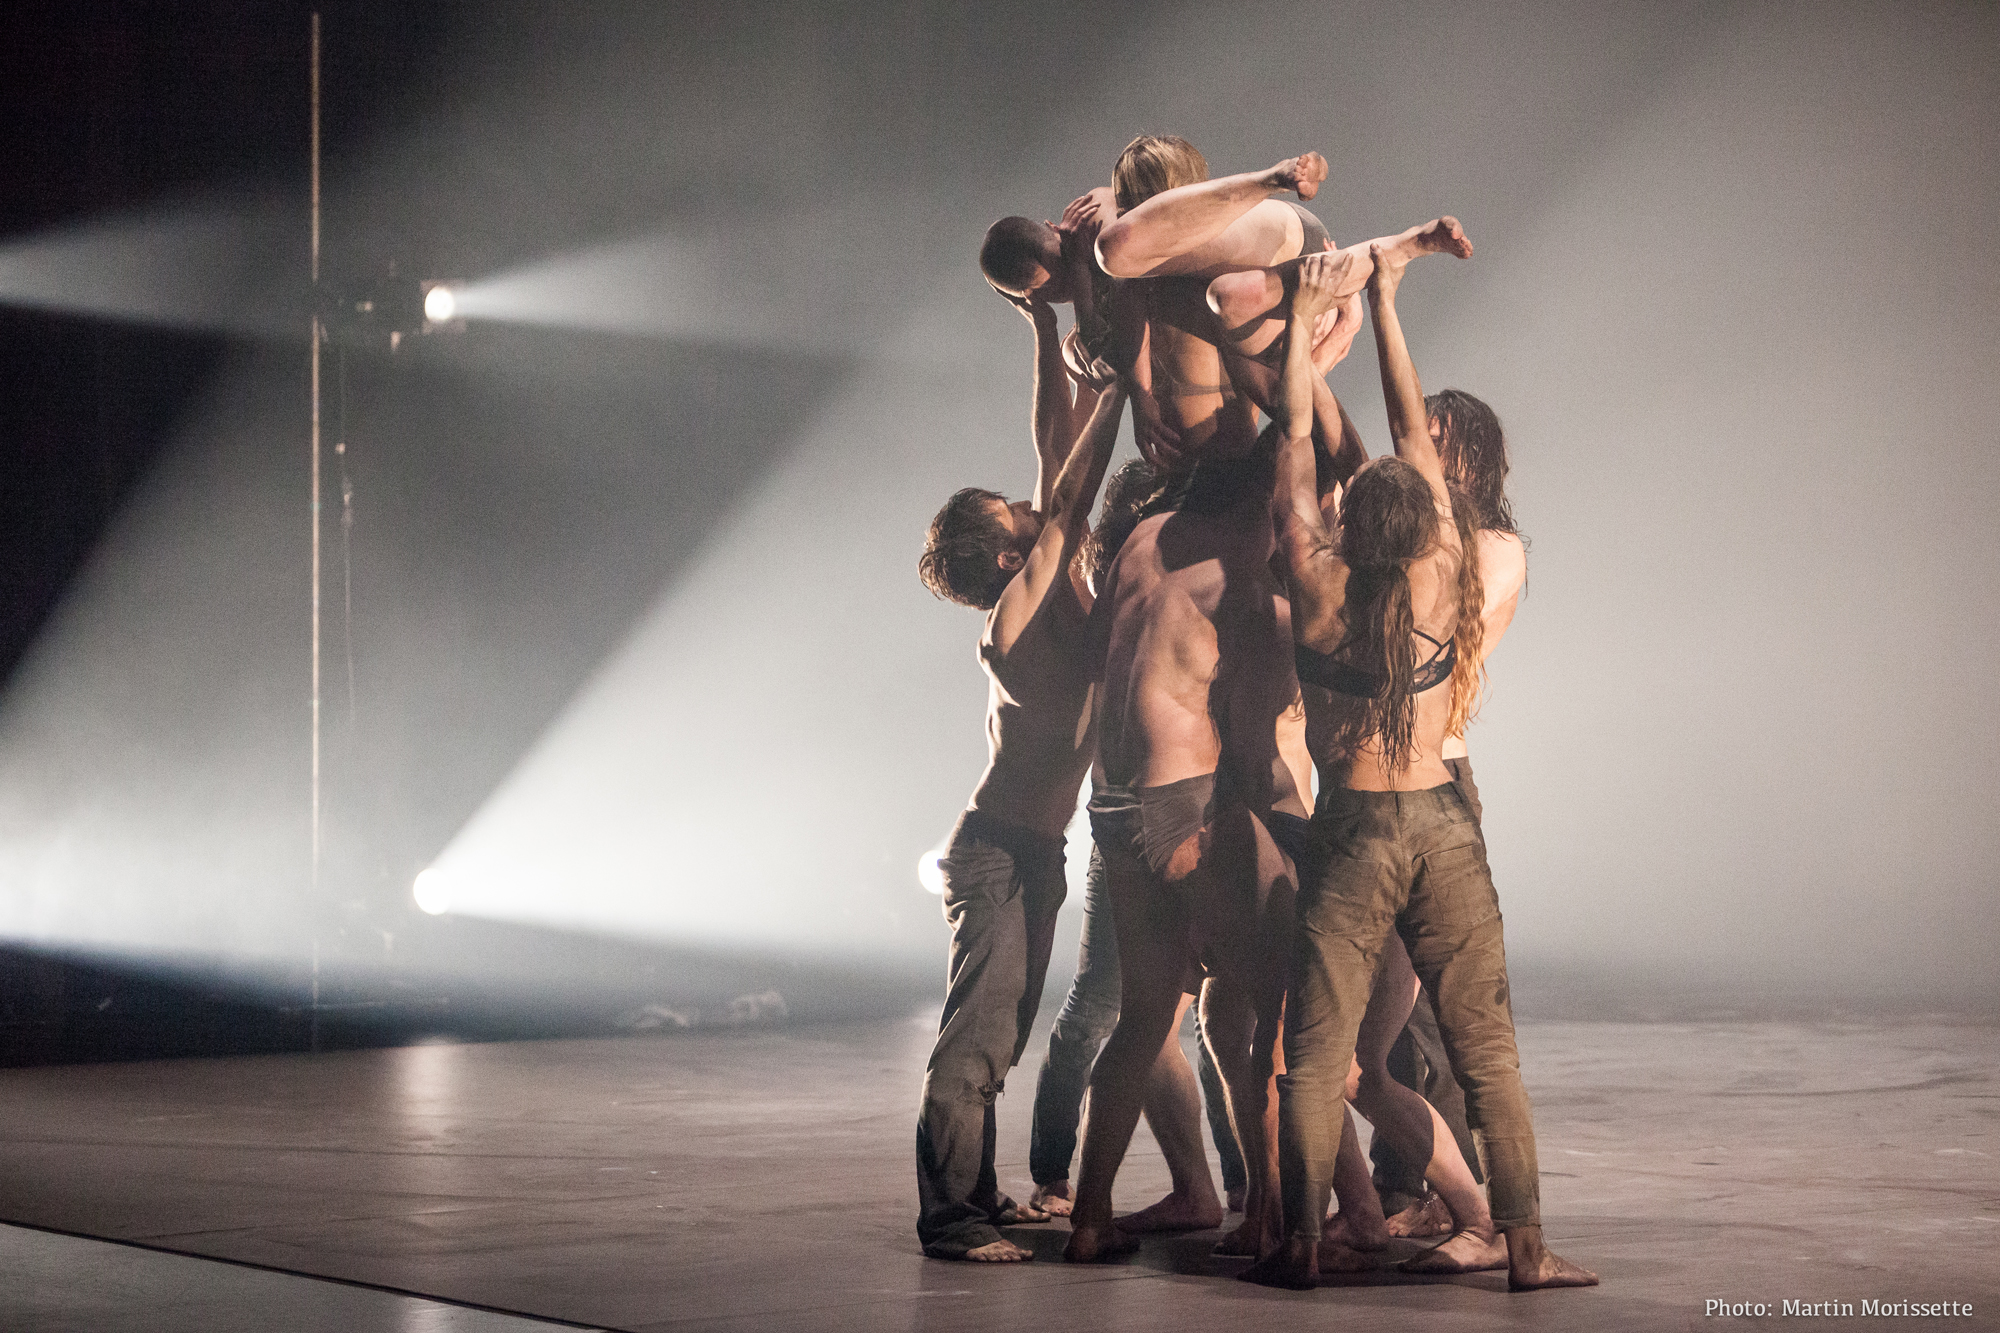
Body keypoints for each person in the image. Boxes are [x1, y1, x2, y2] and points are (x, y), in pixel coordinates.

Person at [1242, 246, 1595, 1291]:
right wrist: (1388, 299)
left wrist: (1308, 329)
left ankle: (1301, 1242)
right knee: (1484, 1052)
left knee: (1314, 1053)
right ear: (1430, 512)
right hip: (1435, 817)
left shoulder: (1313, 581)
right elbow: (1403, 433)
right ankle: (1523, 1248)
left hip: (1352, 820)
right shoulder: (1447, 571)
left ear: (1350, 520)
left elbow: (1301, 447)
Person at [911, 241, 1130, 1260]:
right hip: (997, 848)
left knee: (1002, 1038)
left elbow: (1055, 447)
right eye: (1016, 514)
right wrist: (1121, 383)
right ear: (1007, 554)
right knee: (977, 1038)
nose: (1031, 503)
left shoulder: (1043, 587)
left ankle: (980, 1195)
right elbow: (1070, 481)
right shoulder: (1012, 618)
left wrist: (1045, 331)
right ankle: (949, 1214)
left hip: (1030, 848)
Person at [1367, 389, 1528, 1233]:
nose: (1420, 458)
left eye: (1436, 445)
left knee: (1431, 1010)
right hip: (1368, 783)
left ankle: (1450, 1195)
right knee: (1381, 1015)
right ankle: (1402, 1182)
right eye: (1413, 442)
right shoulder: (1406, 541)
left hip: (1438, 783)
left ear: (1471, 459)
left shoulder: (1492, 549)